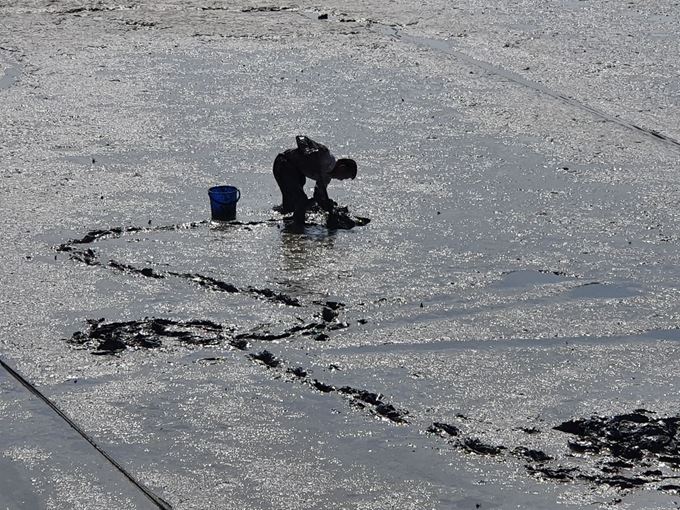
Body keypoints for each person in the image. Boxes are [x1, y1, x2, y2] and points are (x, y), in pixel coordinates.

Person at [273, 135, 357, 224]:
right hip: (283, 164)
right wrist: (307, 151)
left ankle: (288, 226)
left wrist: (329, 208)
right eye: (344, 176)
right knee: (300, 200)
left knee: (291, 205)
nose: (341, 179)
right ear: (342, 168)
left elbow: (318, 195)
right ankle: (297, 227)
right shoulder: (324, 154)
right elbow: (301, 137)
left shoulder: (326, 178)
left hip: (297, 173)